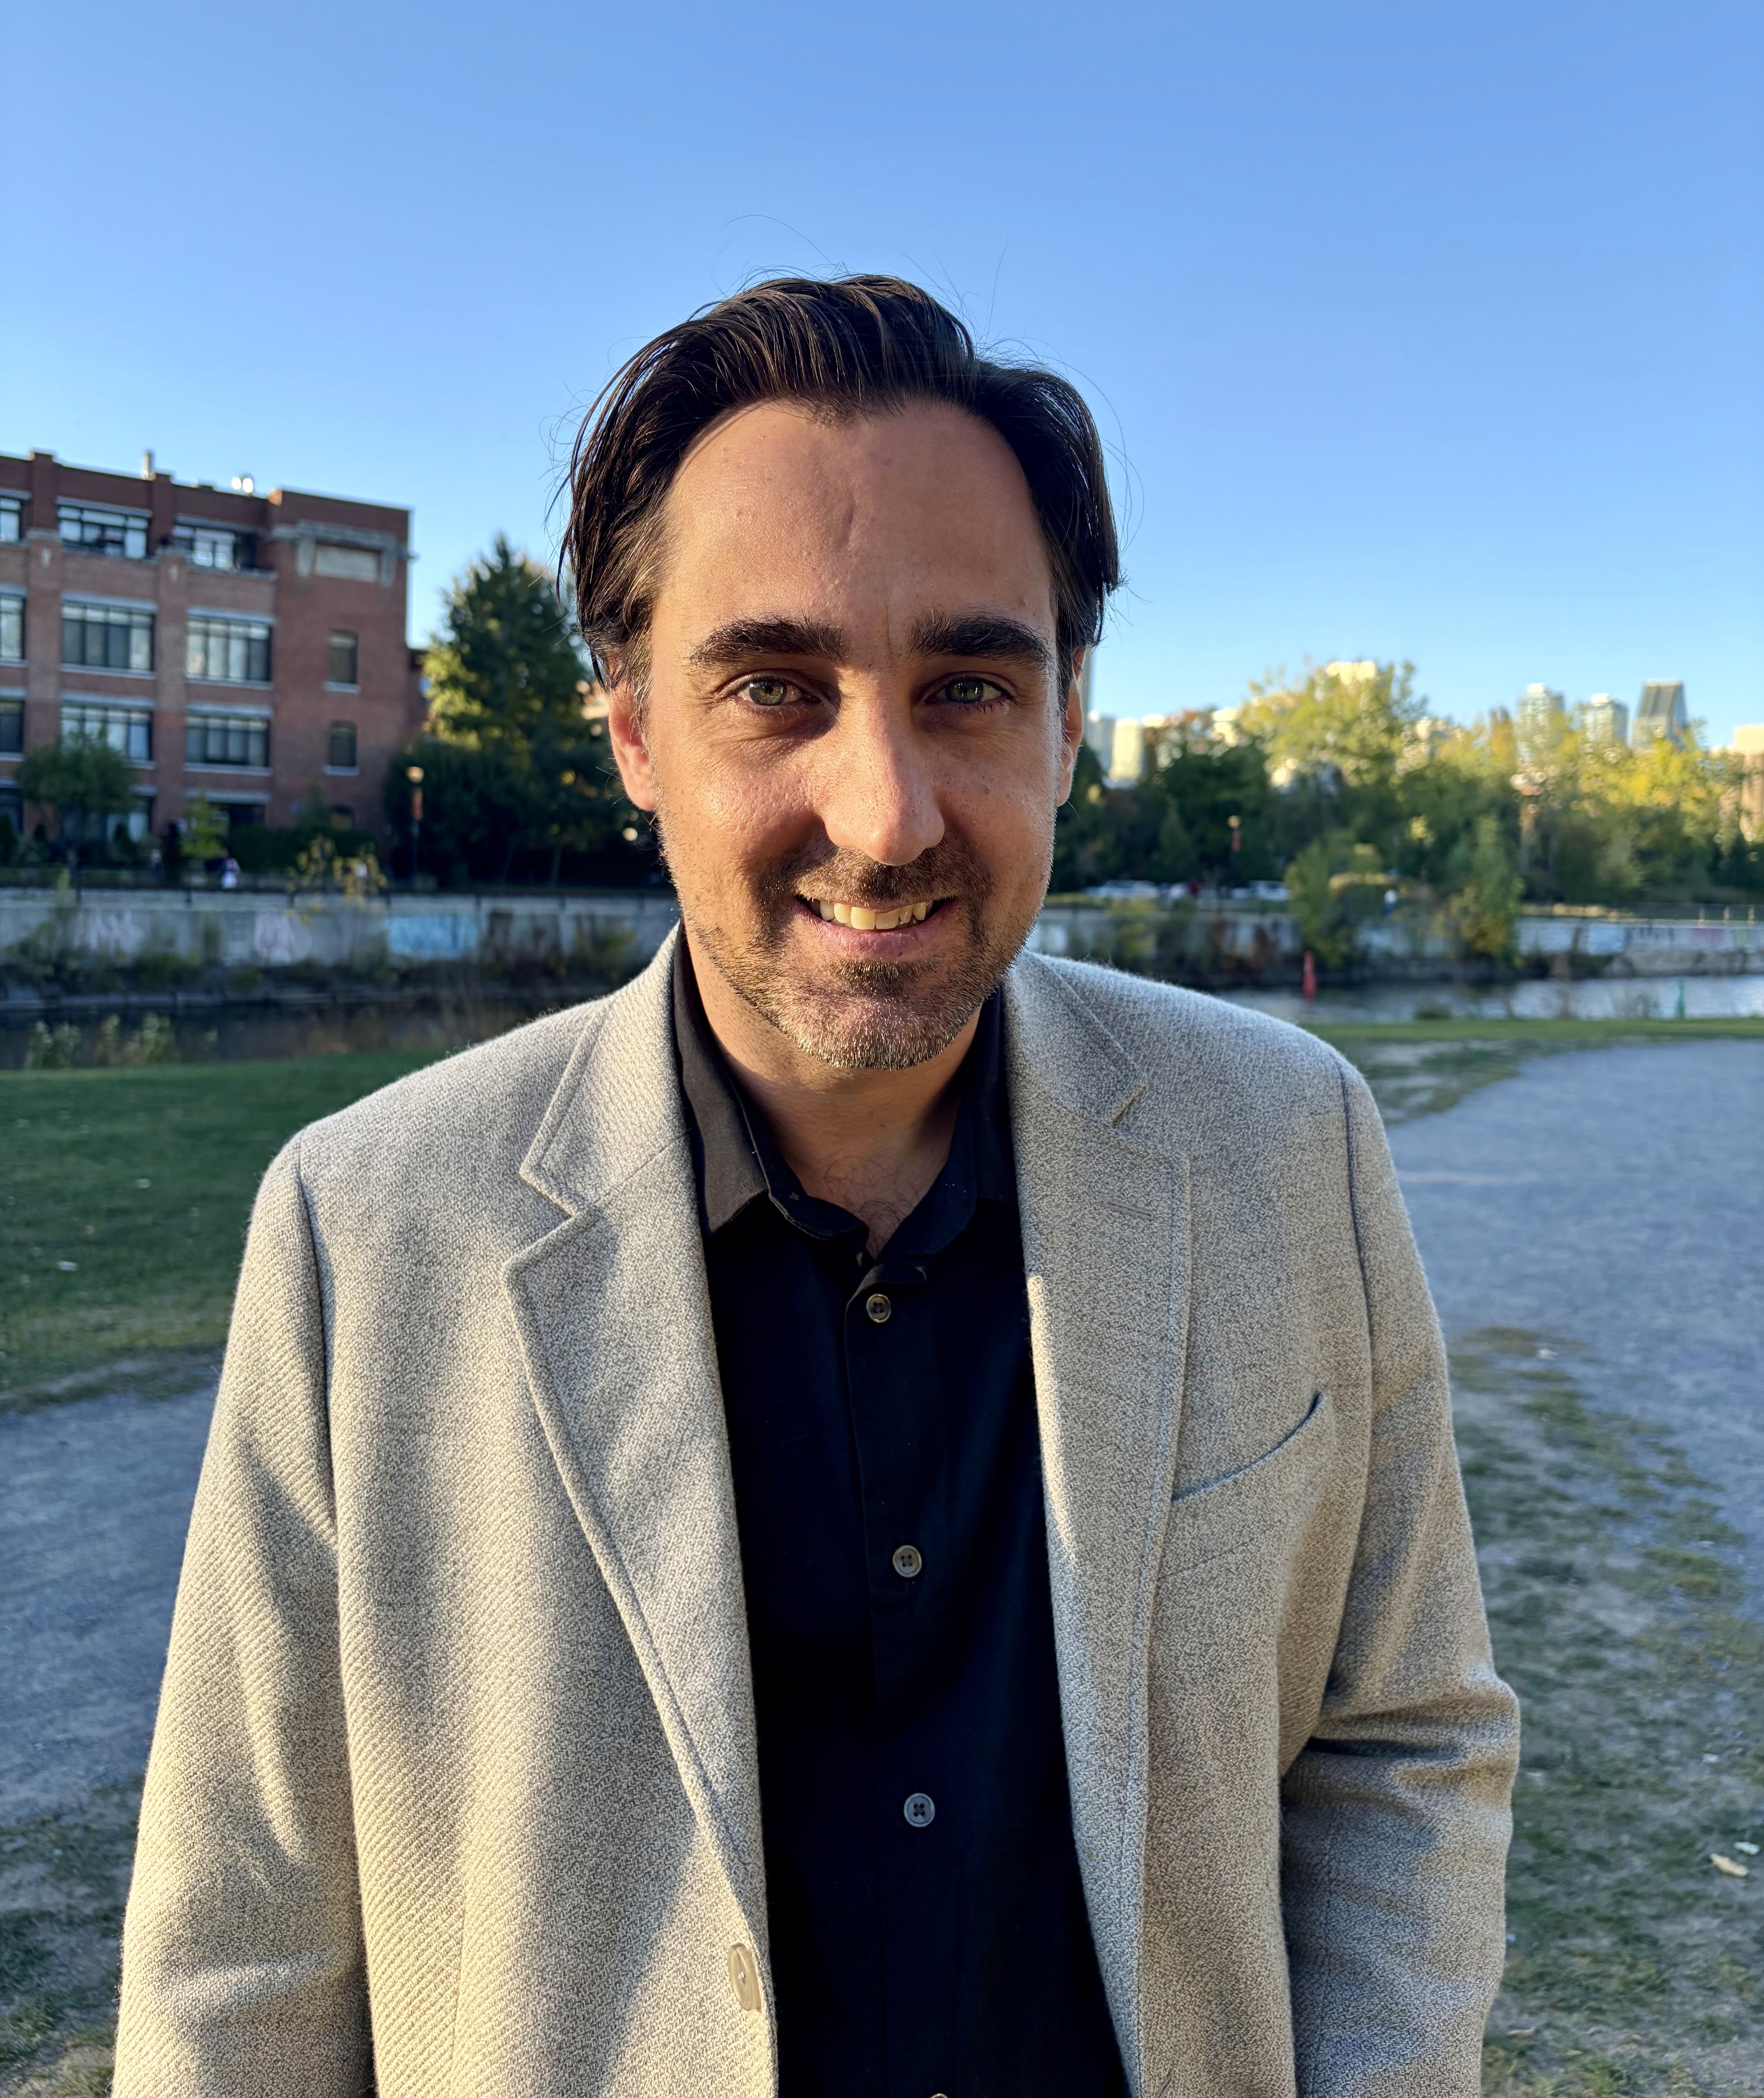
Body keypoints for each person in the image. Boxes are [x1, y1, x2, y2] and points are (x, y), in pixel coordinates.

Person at [115, 277, 1517, 2098]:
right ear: (631, 729)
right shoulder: (366, 1236)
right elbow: (248, 1953)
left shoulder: (1288, 1147)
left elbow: (1400, 1738)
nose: (887, 812)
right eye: (777, 687)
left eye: (969, 686)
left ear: (1070, 718)